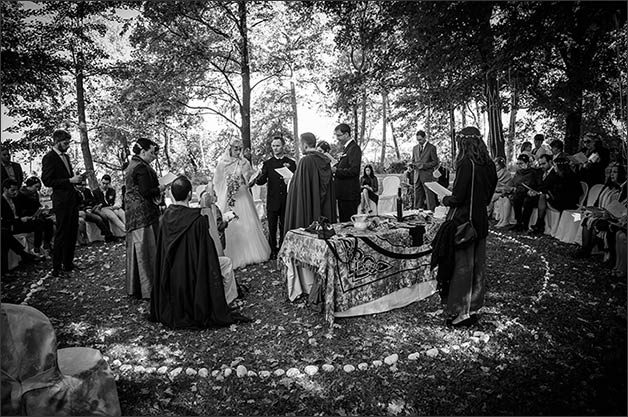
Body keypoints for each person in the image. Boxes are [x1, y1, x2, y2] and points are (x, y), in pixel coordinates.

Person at [150, 176, 250, 329]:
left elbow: (161, 254)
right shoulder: (197, 220)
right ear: (190, 194)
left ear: (171, 195)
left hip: (171, 278)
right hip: (193, 276)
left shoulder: (164, 219)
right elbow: (207, 256)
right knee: (226, 263)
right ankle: (226, 301)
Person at [432, 126, 497, 328]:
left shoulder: (465, 163)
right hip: (480, 220)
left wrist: (444, 198)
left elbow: (458, 197)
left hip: (464, 222)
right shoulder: (490, 164)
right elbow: (488, 195)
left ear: (464, 143)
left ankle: (461, 313)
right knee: (478, 266)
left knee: (462, 267)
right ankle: (473, 307)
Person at [214, 140, 271, 269]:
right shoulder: (222, 163)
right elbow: (217, 182)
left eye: (240, 149)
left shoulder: (245, 162)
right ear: (230, 148)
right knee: (232, 225)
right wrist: (228, 188)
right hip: (230, 198)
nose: (238, 151)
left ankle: (252, 253)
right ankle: (234, 255)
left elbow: (248, 180)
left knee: (248, 223)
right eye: (236, 148)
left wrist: (247, 179)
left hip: (243, 196)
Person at [125, 138, 165, 299]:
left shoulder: (133, 165)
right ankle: (149, 287)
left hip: (134, 212)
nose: (154, 156)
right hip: (143, 214)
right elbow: (146, 191)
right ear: (143, 152)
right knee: (146, 248)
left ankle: (137, 287)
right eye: (152, 152)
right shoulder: (141, 167)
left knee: (140, 248)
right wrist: (160, 188)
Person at [41, 129, 83, 277]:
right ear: (56, 141)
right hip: (61, 201)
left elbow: (68, 178)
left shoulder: (66, 157)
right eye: (65, 143)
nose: (68, 146)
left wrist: (76, 181)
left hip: (72, 199)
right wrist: (69, 181)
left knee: (72, 231)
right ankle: (56, 268)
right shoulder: (49, 158)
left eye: (68, 143)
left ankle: (68, 264)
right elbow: (47, 181)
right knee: (61, 233)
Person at [284, 132, 336, 233]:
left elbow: (299, 186)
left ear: (305, 145)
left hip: (308, 208)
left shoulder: (306, 161)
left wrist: (289, 181)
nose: (300, 147)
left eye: (300, 144)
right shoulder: (325, 161)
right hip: (322, 207)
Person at [254, 137, 296, 259]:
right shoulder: (268, 163)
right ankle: (272, 250)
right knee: (272, 227)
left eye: (277, 145)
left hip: (286, 200)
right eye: (273, 146)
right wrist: (258, 176)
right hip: (272, 200)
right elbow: (261, 182)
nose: (275, 148)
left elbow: (296, 181)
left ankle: (284, 249)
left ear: (283, 146)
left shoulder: (291, 163)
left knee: (285, 226)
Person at [529, 155, 581, 234]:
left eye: (555, 166)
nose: (554, 168)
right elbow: (550, 187)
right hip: (558, 198)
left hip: (567, 201)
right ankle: (539, 223)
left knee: (543, 196)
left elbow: (568, 193)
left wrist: (550, 194)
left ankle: (539, 223)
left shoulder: (570, 177)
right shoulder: (558, 176)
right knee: (542, 195)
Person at [1, 179, 44, 274]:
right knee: (4, 235)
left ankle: (36, 249)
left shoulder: (15, 198)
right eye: (12, 190)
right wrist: (19, 220)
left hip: (18, 223)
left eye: (16, 190)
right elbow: (4, 221)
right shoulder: (2, 201)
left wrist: (26, 217)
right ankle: (24, 256)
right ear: (5, 189)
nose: (15, 192)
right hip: (9, 226)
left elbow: (23, 209)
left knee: (39, 223)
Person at [14, 176, 54, 255]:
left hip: (35, 216)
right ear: (29, 186)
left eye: (38, 187)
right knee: (38, 223)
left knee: (49, 221)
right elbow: (19, 210)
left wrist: (43, 210)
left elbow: (38, 205)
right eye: (36, 187)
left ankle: (47, 244)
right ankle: (37, 247)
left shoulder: (35, 194)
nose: (37, 189)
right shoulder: (20, 195)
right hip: (24, 219)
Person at [505, 153, 542, 232]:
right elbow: (513, 182)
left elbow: (537, 185)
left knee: (527, 201)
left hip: (531, 194)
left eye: (521, 163)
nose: (519, 165)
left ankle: (525, 224)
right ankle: (518, 222)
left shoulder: (533, 172)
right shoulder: (518, 172)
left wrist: (533, 190)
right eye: (517, 163)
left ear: (527, 163)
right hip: (519, 192)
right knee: (516, 198)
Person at [333, 123, 362, 222]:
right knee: (343, 222)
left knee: (349, 224)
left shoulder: (354, 148)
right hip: (343, 195)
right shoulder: (346, 148)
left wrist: (336, 171)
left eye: (339, 135)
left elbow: (354, 171)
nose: (337, 138)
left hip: (349, 195)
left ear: (346, 134)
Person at [412, 130, 439, 211]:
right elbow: (413, 160)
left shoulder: (432, 148)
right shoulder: (415, 148)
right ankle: (417, 213)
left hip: (427, 176)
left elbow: (435, 162)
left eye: (420, 140)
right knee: (417, 196)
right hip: (417, 176)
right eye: (417, 140)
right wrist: (412, 166)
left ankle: (431, 213)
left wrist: (424, 166)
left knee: (429, 196)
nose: (419, 142)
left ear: (425, 138)